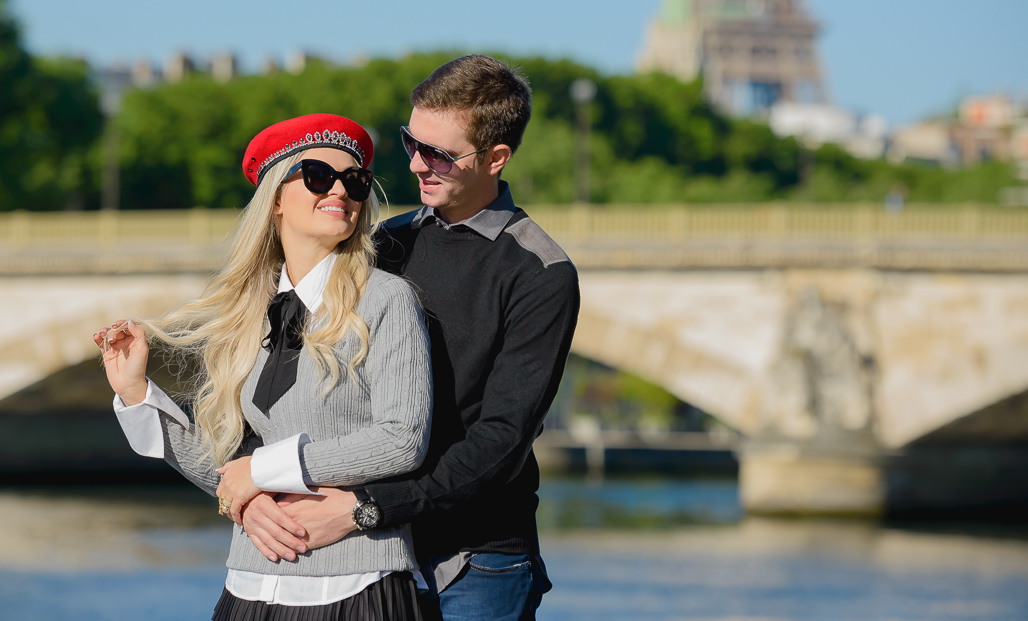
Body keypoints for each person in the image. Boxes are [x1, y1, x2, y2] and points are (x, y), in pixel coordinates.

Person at [241, 55, 581, 620]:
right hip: (363, 554)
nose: (418, 165)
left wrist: (365, 509)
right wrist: (249, 494)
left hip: (472, 561)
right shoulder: (377, 246)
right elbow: (279, 388)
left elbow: (500, 444)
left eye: (441, 154)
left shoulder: (540, 272)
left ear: (497, 157)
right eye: (410, 143)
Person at [93, 114, 433, 620]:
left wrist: (263, 471)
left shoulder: (387, 299)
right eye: (318, 175)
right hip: (249, 590)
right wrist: (138, 393)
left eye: (356, 180)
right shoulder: (245, 313)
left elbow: (403, 439)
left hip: (360, 586)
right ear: (276, 198)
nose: (341, 189)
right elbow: (224, 465)